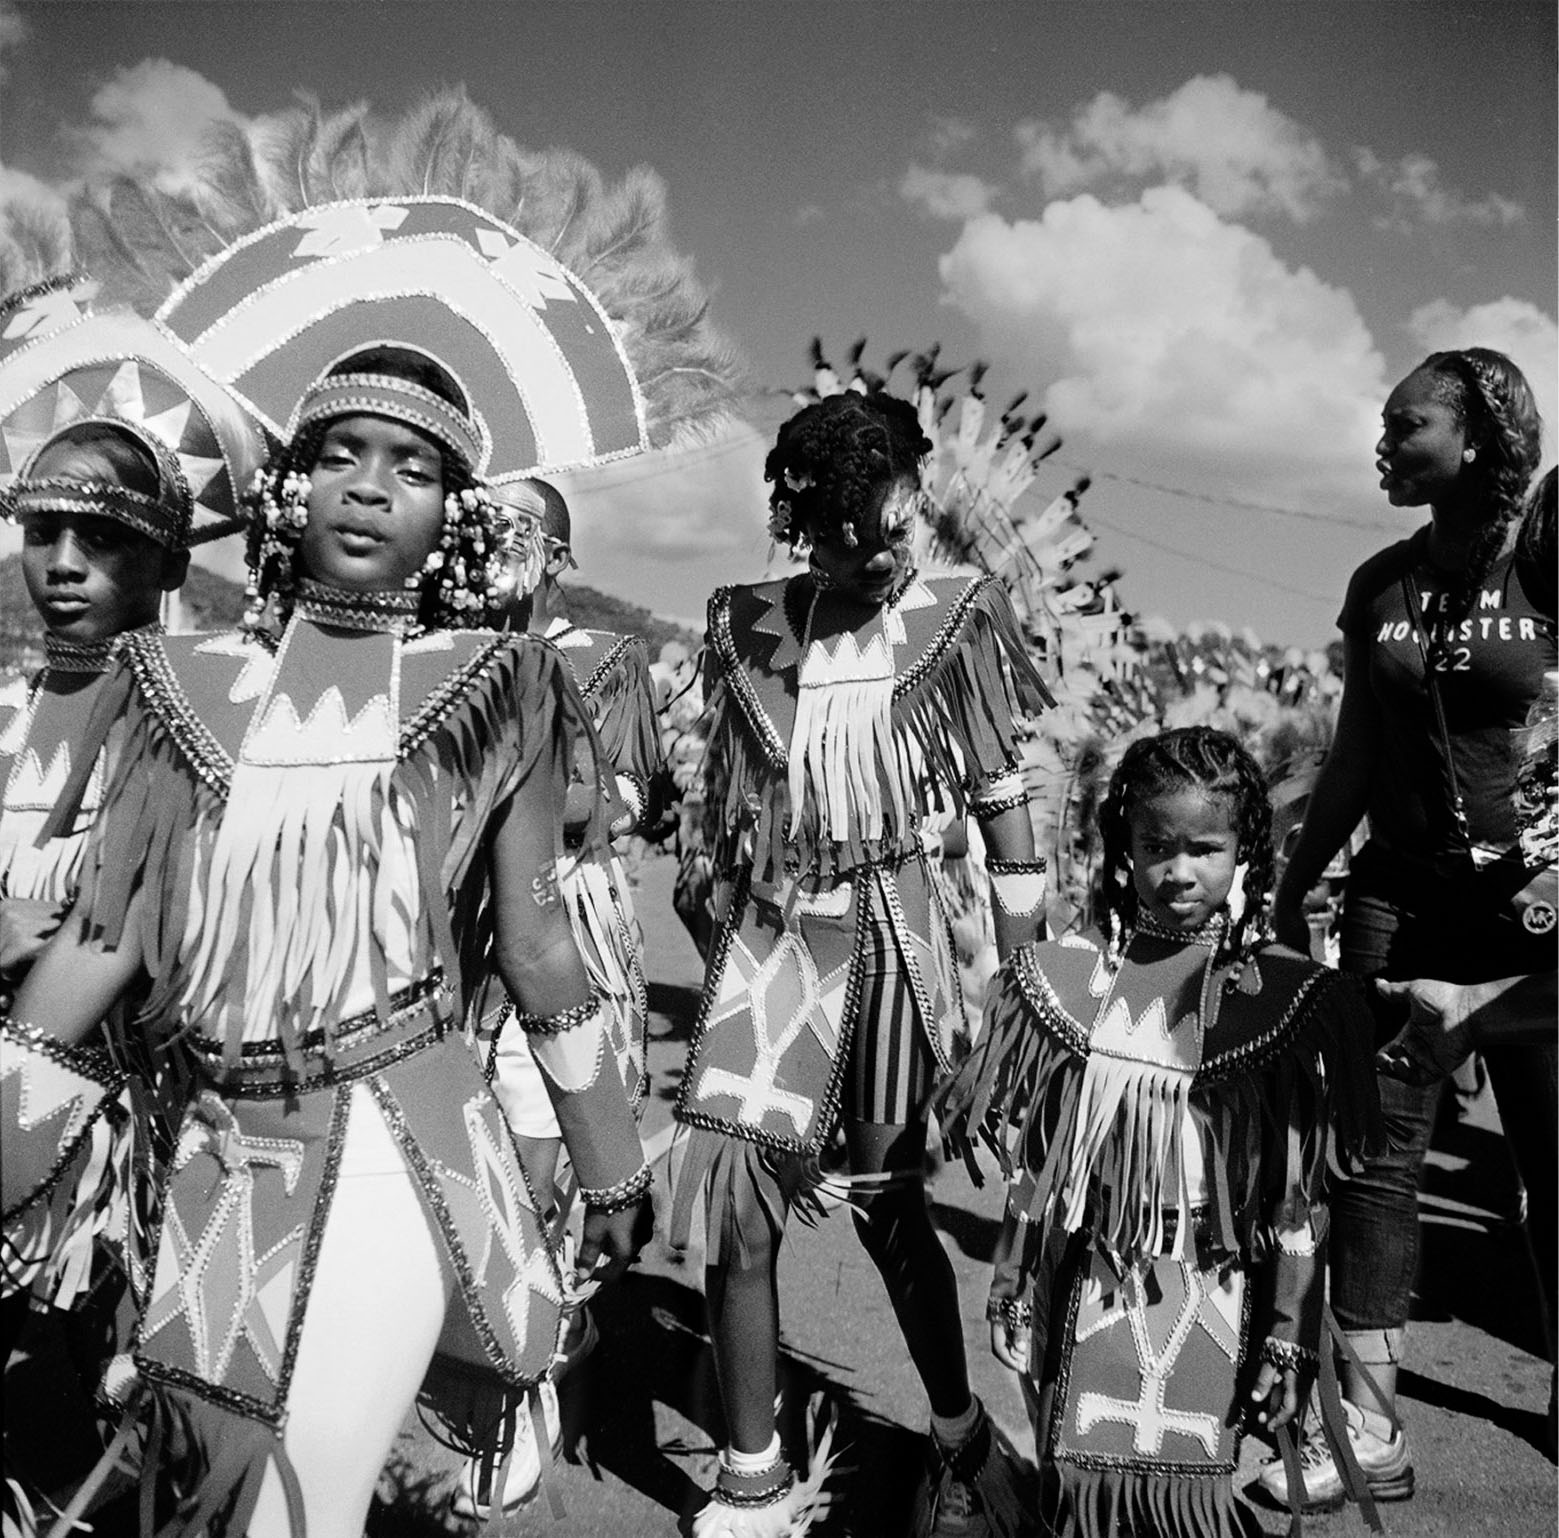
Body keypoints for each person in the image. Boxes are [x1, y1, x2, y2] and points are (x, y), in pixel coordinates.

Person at [0, 299, 652, 1538]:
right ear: (290, 490)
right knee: (206, 1477)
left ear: (452, 514)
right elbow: (105, 936)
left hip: (395, 1139)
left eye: (410, 468)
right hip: (218, 1143)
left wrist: (609, 1155)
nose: (368, 488)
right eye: (340, 455)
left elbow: (533, 944)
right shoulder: (183, 691)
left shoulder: (497, 685)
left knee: (303, 1508)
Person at [669, 389, 1053, 1536]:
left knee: (890, 1208)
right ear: (797, 523)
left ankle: (957, 1439)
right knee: (739, 1203)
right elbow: (721, 797)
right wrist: (709, 888)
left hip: (894, 926)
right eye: (850, 535)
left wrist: (1025, 983)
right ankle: (750, 1470)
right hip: (773, 938)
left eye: (897, 524)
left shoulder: (951, 615)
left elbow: (999, 805)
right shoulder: (741, 622)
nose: (882, 553)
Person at [938, 727, 1380, 1538]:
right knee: (1080, 1492)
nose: (1179, 872)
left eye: (1204, 849)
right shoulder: (1070, 981)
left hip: (1217, 1284)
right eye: (1156, 847)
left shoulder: (1280, 1002)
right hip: (1092, 1275)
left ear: (1244, 850)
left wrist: (1288, 1334)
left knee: (1189, 1498)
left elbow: (1293, 1199)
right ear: (1123, 848)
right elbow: (1041, 1166)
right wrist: (1013, 1278)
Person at [1267, 349, 1555, 1509]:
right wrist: (1295, 877)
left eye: (1408, 422)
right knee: (1375, 1165)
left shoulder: (1540, 561)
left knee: (1550, 1165)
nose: (1383, 442)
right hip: (1397, 899)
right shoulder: (1377, 579)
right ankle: (1370, 1425)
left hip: (1532, 916)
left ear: (1478, 436)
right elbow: (1354, 754)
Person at [0, 293, 266, 1512]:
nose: (61, 564)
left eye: (98, 541)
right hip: (25, 1094)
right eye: (42, 530)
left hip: (138, 1111)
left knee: (159, 1397)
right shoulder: (8, 703)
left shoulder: (201, 715)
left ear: (167, 560)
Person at [462, 474, 665, 1517]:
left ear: (557, 558)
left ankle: (534, 1374)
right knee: (467, 1156)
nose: (497, 552)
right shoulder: (441, 657)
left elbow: (612, 803)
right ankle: (490, 1351)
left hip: (562, 925)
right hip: (458, 941)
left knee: (539, 1164)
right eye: (482, 529)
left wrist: (525, 775)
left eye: (520, 537)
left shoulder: (603, 660)